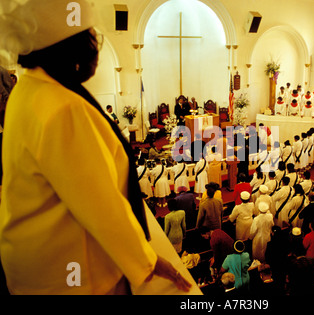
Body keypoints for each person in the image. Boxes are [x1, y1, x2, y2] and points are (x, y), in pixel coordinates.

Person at [0, 0, 191, 294]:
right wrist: (146, 259)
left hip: (37, 268)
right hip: (73, 276)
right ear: (69, 44)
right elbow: (101, 203)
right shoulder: (61, 108)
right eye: (91, 34)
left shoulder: (27, 90)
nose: (96, 46)